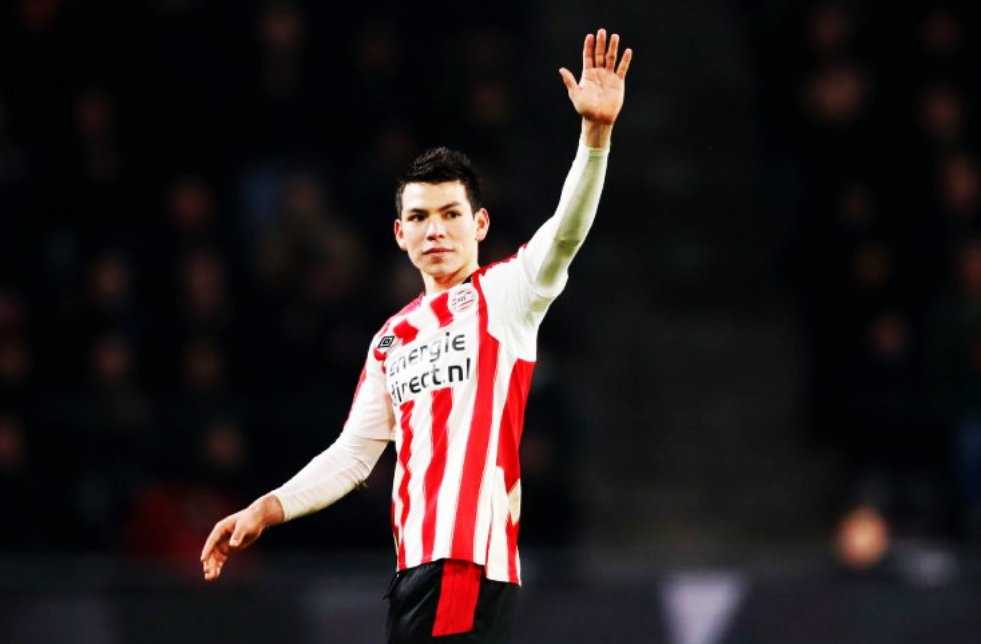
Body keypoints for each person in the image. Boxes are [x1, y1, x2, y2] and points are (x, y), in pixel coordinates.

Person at [201, 27, 632, 642]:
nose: (436, 230)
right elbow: (354, 455)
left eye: (452, 214)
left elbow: (565, 232)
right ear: (400, 234)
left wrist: (595, 137)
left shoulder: (505, 295)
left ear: (480, 224)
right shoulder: (391, 338)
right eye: (420, 217)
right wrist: (267, 508)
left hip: (468, 561)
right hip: (414, 570)